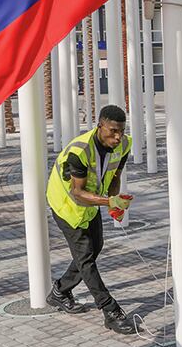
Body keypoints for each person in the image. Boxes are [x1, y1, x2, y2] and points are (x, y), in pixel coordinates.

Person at [45, 105, 136, 334]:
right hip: (66, 205)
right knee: (86, 257)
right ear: (100, 127)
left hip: (91, 204)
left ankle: (60, 291)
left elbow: (115, 174)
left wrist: (114, 200)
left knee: (96, 248)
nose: (118, 137)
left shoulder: (124, 144)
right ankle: (110, 311)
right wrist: (108, 202)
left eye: (121, 131)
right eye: (113, 131)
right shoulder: (80, 150)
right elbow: (77, 192)